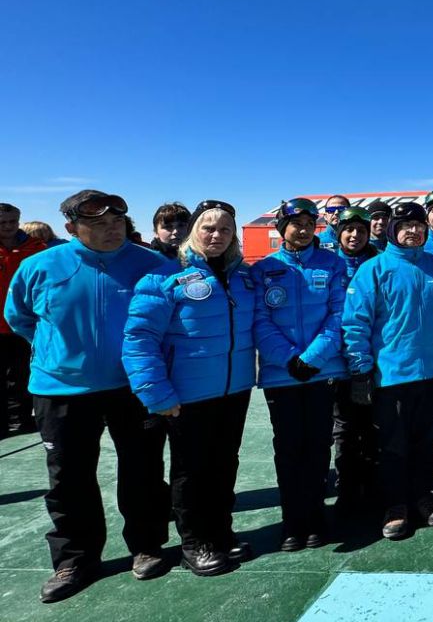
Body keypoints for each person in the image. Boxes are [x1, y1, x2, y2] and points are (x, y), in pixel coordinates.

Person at [6, 191, 170, 601]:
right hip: (60, 391)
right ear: (71, 228)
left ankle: (147, 546)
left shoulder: (153, 265)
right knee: (68, 478)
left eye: (117, 222)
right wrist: (60, 356)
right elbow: (19, 317)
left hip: (133, 387)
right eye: (97, 224)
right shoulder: (38, 266)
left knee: (144, 469)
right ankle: (74, 560)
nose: (111, 229)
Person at [124, 199, 257, 578]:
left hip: (234, 390)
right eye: (208, 228)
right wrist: (156, 393)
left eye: (225, 229)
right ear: (193, 231)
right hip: (186, 397)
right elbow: (139, 339)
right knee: (191, 472)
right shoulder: (163, 279)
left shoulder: (243, 277)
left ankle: (220, 531)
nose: (216, 235)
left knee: (224, 465)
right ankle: (194, 542)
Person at [342, 202, 433, 539]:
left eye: (418, 225)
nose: (412, 231)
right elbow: (355, 322)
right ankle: (395, 505)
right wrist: (361, 369)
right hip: (392, 374)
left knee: (426, 441)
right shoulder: (374, 269)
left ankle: (423, 496)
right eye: (405, 225)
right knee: (393, 445)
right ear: (393, 229)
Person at [251, 198, 349, 551]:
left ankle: (316, 516)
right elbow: (259, 319)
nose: (304, 229)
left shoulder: (333, 264)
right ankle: (293, 521)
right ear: (282, 229)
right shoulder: (263, 269)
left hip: (320, 372)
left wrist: (313, 357)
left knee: (318, 446)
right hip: (282, 376)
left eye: (310, 223)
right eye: (296, 224)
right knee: (289, 448)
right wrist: (289, 358)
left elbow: (340, 314)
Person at [329, 207, 379, 508]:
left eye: (361, 230)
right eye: (349, 230)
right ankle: (347, 488)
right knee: (344, 429)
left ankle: (373, 485)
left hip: (374, 360)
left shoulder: (378, 263)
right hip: (338, 363)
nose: (355, 236)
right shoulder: (331, 265)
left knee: (374, 426)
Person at [1, 202, 47, 437]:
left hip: (22, 324)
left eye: (12, 221)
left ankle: (20, 420)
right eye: (2, 222)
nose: (8, 226)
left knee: (20, 375)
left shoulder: (36, 249)